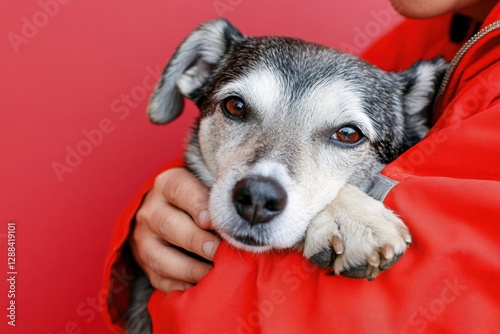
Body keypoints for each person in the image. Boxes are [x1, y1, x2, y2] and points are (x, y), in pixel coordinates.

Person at [102, 0, 500, 332]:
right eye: (237, 108)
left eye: (346, 134)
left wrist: (341, 202)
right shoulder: (431, 28)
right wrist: (159, 214)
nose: (261, 182)